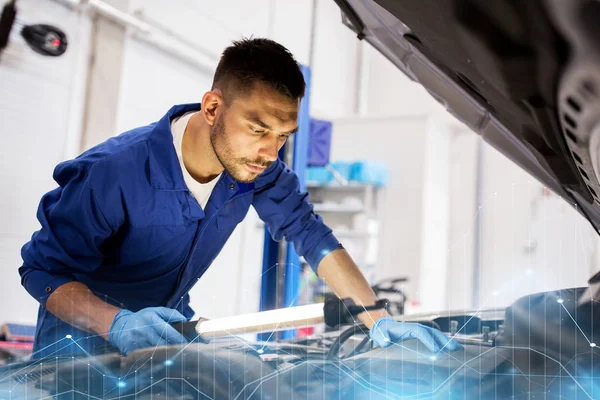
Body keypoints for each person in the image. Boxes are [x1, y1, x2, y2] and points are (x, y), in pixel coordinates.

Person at [19, 38, 461, 359]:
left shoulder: (256, 171)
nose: (271, 152)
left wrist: (378, 319)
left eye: (283, 136)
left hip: (168, 336)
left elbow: (312, 236)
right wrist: (116, 323)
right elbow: (43, 272)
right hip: (74, 350)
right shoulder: (113, 173)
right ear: (213, 108)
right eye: (257, 129)